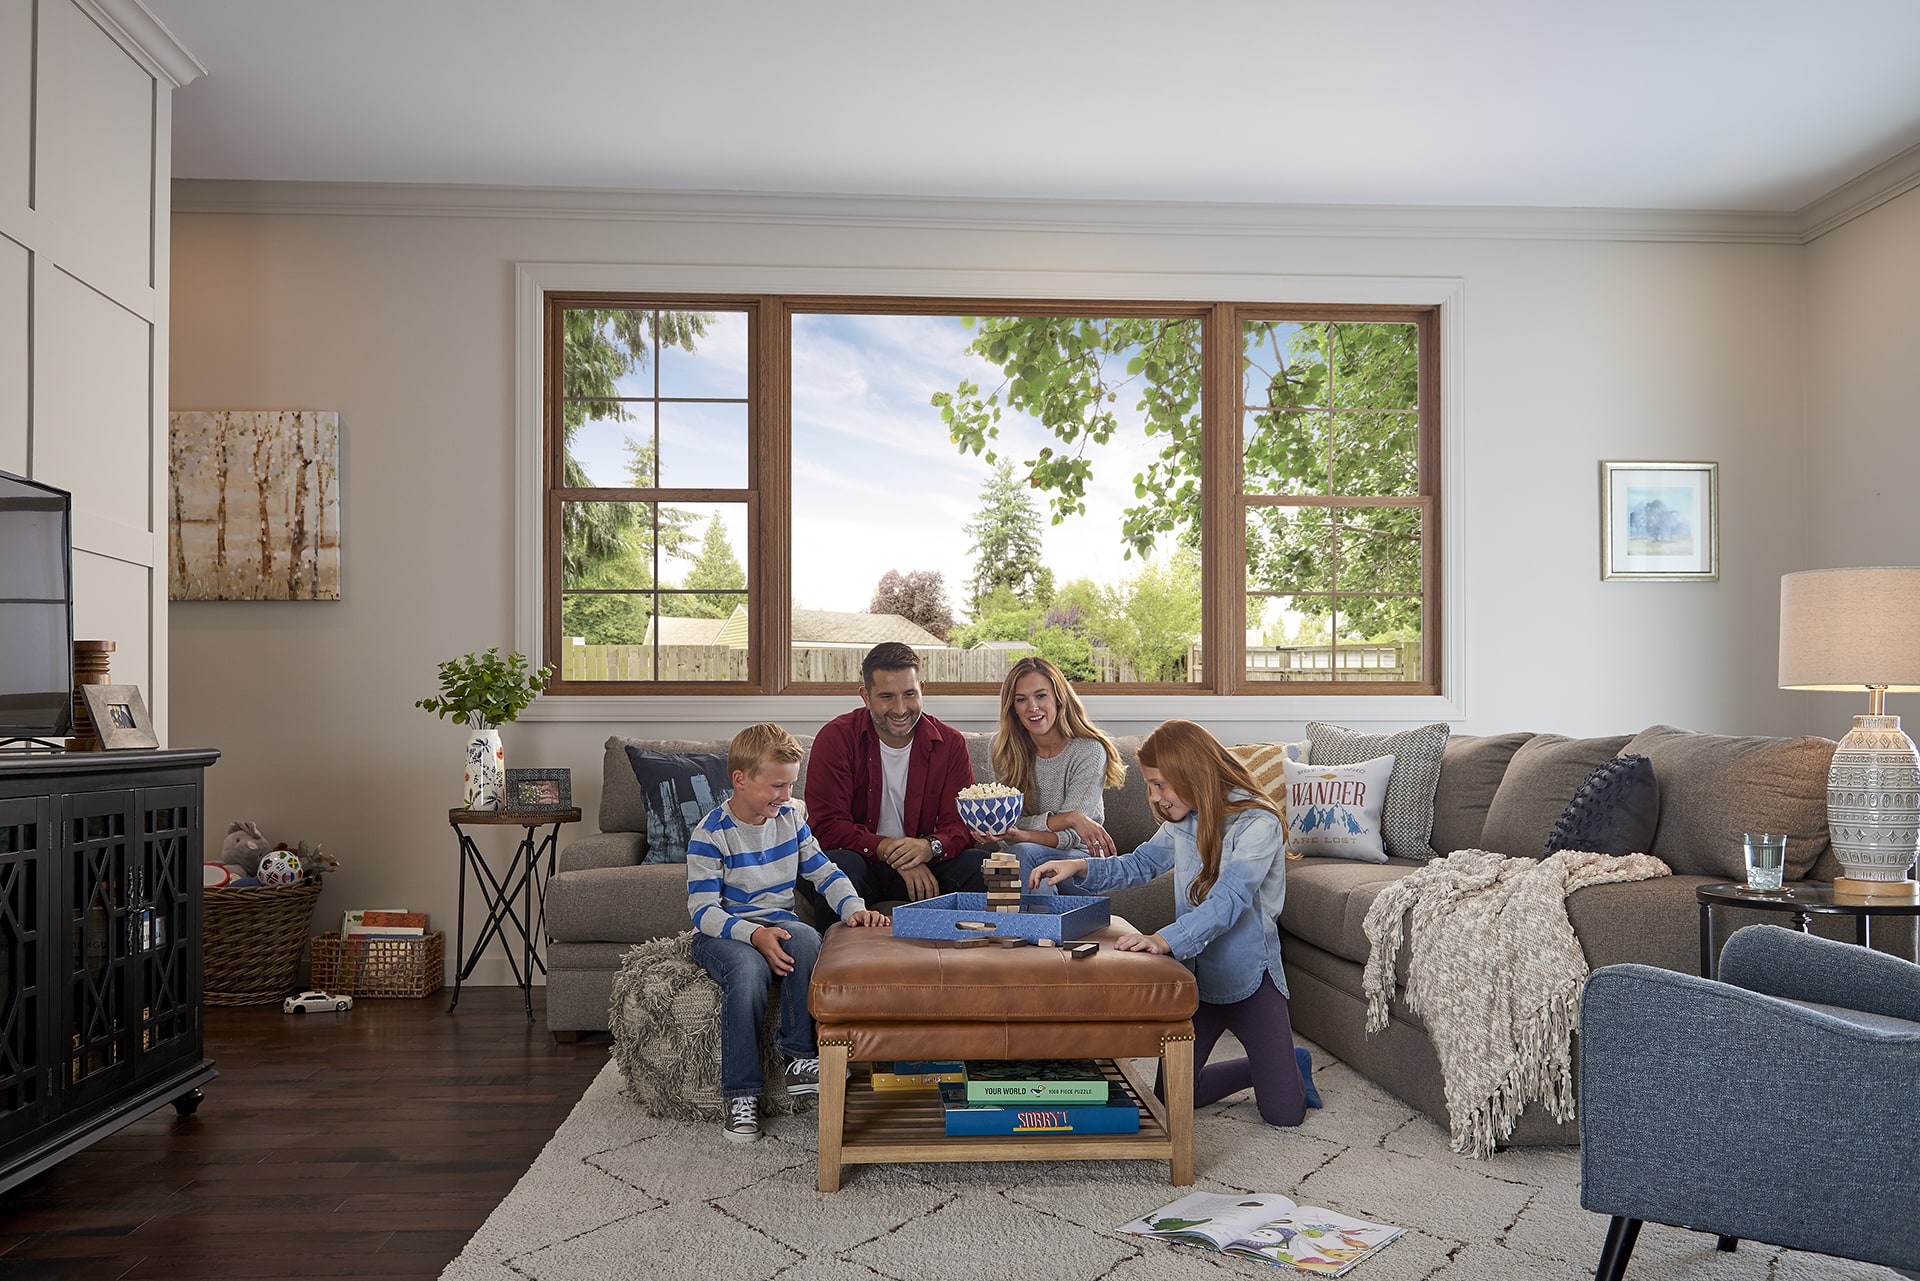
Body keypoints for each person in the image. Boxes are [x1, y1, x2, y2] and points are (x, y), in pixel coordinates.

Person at [1029, 718, 1308, 1127]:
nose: (1155, 797)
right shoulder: (1184, 819)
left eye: (1161, 784)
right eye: (1150, 785)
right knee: (1172, 1099)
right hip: (1199, 981)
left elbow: (1229, 900)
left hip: (1252, 980)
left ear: (1192, 773)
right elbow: (1141, 863)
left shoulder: (1258, 823)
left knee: (1285, 1114)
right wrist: (1079, 865)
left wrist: (1163, 940)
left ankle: (1285, 1064)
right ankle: (1268, 1065)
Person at [686, 722, 888, 1144]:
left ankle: (799, 1056)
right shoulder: (710, 834)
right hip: (725, 931)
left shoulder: (792, 819)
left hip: (778, 921)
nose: (787, 796)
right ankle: (741, 1095)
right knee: (746, 975)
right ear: (741, 780)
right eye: (777, 786)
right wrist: (753, 936)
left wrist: (854, 908)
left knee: (810, 939)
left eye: (791, 785)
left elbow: (823, 872)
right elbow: (702, 911)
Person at [800, 642, 986, 918]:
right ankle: (842, 960)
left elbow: (959, 825)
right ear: (865, 696)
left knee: (982, 865)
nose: (900, 709)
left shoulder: (950, 744)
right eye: (887, 696)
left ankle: (968, 957)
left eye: (910, 694)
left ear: (922, 688)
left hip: (925, 864)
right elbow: (827, 827)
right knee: (838, 865)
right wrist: (886, 849)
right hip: (859, 862)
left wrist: (928, 848)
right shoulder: (835, 739)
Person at [967, 655, 1127, 895]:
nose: (1032, 707)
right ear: (1013, 708)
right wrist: (1069, 817)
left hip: (1081, 860)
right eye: (1021, 700)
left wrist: (1025, 834)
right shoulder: (1002, 749)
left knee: (1021, 854)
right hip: (1019, 854)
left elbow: (1073, 836)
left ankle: (1026, 930)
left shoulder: (1089, 751)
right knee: (997, 859)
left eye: (1041, 696)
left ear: (1059, 698)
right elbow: (1004, 824)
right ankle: (1029, 929)